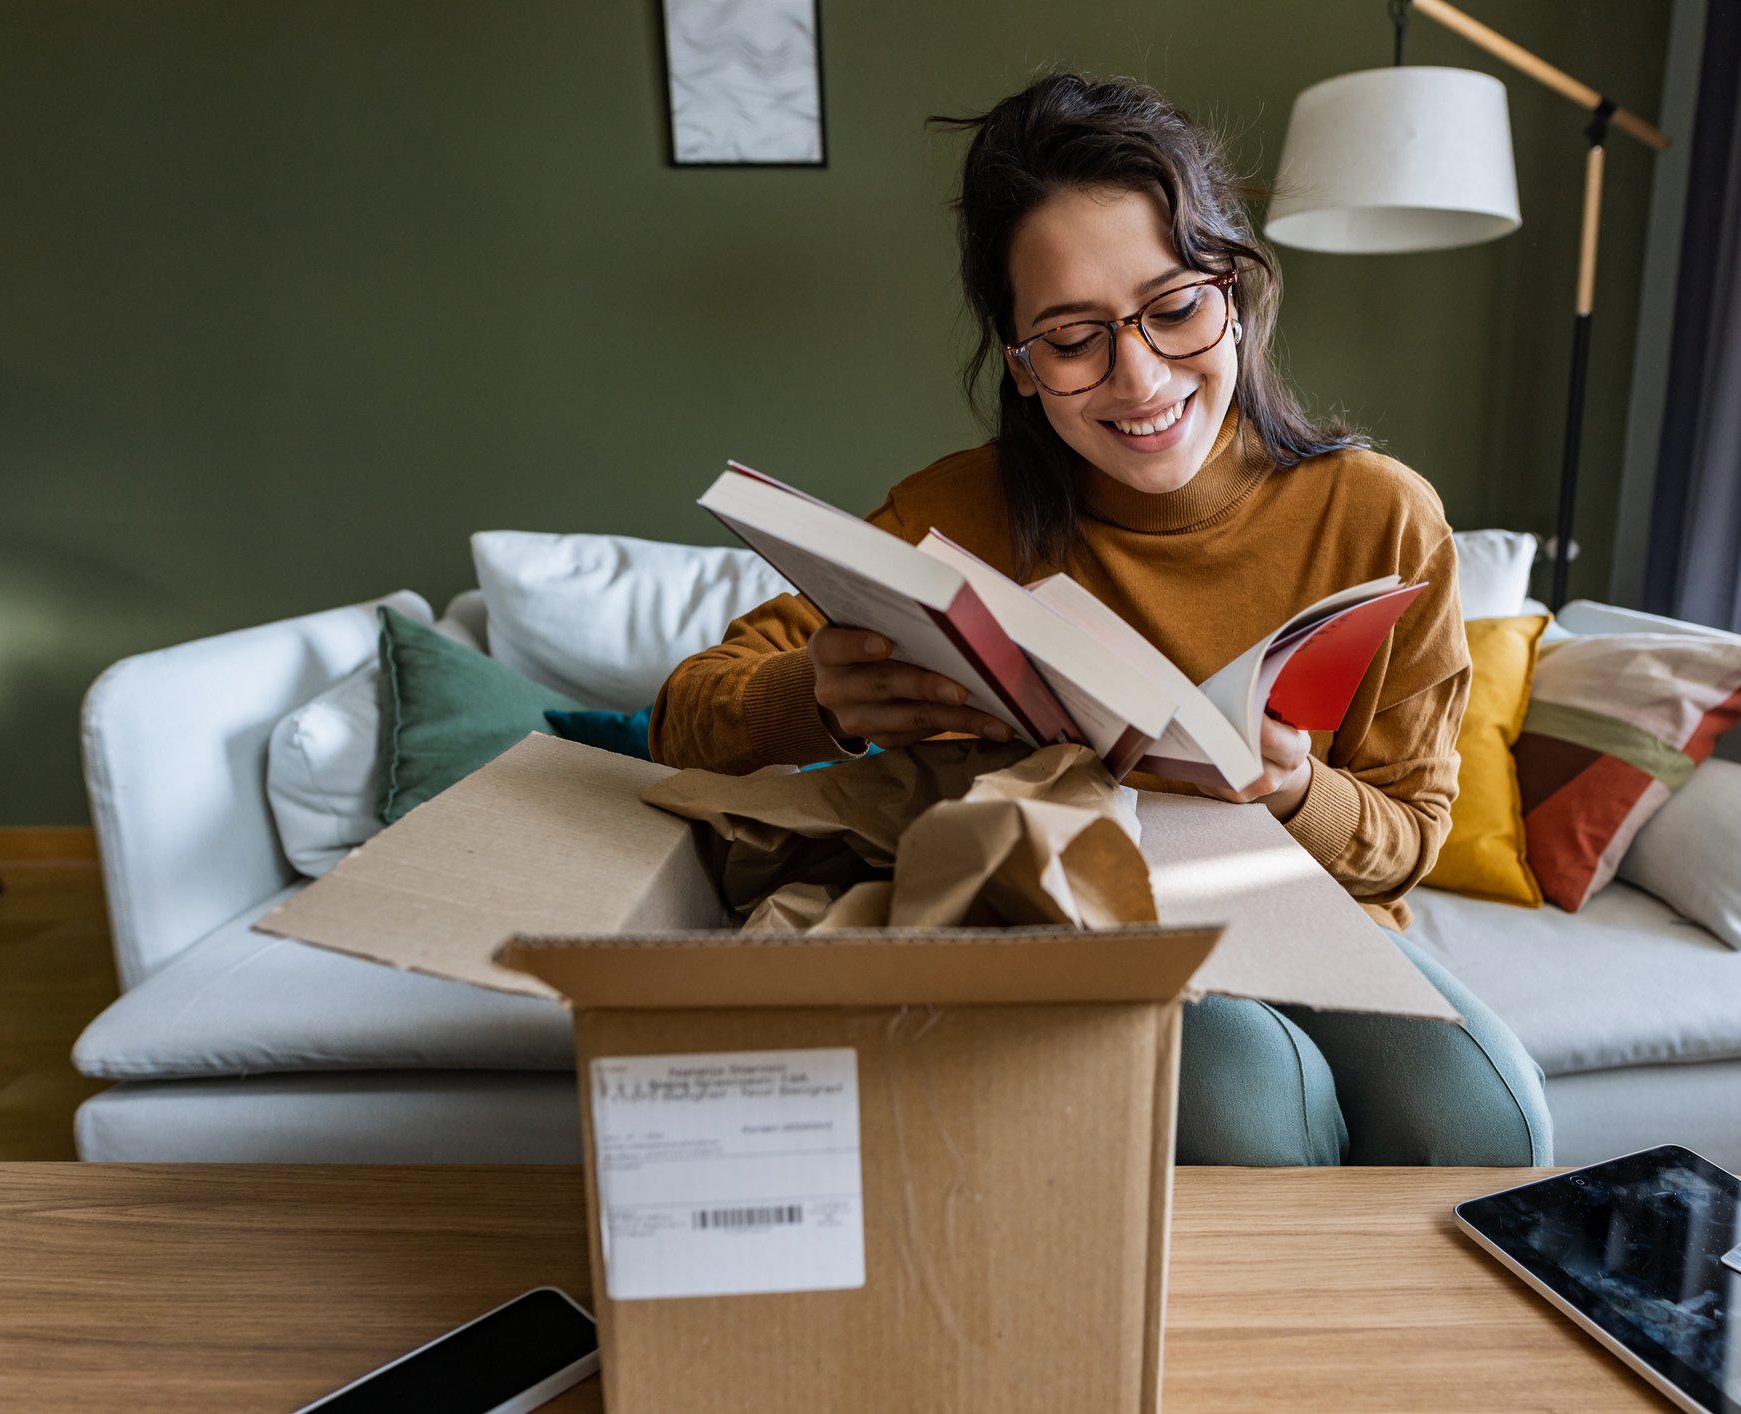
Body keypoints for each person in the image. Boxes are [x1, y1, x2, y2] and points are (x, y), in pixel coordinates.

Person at [649, 72, 1549, 1168]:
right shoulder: (950, 516)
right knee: (1237, 1085)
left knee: (1486, 1118)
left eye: (1174, 308)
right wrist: (819, 696)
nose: (1140, 376)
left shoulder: (1379, 515)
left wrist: (1291, 787)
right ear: (1020, 366)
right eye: (1073, 338)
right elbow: (683, 720)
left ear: (1238, 290)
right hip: (1074, 910)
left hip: (1302, 913)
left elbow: (1405, 841)